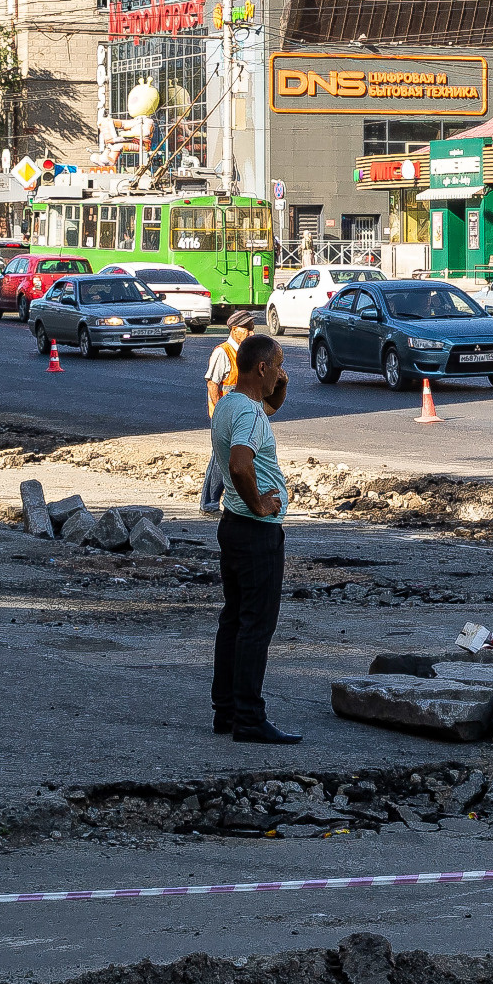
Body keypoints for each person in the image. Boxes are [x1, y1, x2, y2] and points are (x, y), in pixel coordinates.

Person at [210, 332, 296, 744]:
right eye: (277, 366)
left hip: (232, 527)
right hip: (256, 530)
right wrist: (262, 503)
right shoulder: (249, 415)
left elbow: (267, 409)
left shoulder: (230, 404)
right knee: (255, 627)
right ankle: (249, 717)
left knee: (234, 619)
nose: (281, 372)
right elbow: (240, 464)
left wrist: (279, 386)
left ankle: (225, 711)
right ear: (261, 367)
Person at [199, 308, 268, 513]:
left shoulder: (247, 353)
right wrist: (219, 411)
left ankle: (236, 500)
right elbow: (213, 385)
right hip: (226, 413)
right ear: (234, 329)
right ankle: (209, 502)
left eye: (252, 329)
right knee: (220, 459)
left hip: (243, 413)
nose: (251, 333)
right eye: (247, 329)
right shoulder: (223, 352)